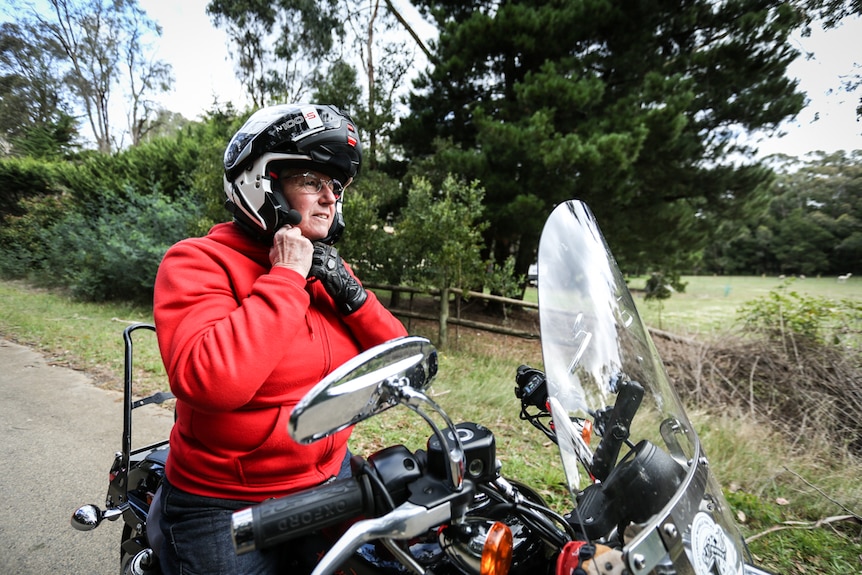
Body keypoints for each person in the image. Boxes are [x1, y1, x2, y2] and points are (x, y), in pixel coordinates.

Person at [151, 103, 408, 574]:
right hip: (224, 503)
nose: (329, 198)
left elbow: (395, 359)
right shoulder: (196, 261)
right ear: (260, 183)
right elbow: (212, 380)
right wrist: (286, 274)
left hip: (328, 479)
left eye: (336, 186)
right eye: (312, 182)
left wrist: (348, 290)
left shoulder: (327, 269)